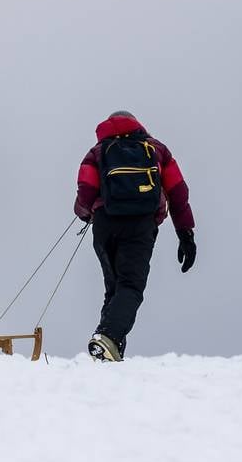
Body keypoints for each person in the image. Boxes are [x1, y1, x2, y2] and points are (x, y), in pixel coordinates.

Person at [75, 111, 196, 361]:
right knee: (130, 285)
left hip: (105, 223)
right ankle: (108, 336)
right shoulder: (156, 149)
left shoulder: (97, 151)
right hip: (141, 224)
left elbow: (86, 189)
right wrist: (185, 233)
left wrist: (84, 213)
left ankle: (108, 347)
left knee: (115, 287)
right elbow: (178, 191)